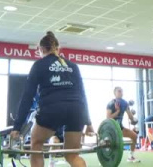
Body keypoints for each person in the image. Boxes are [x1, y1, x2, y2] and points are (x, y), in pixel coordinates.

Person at [11, 31, 94, 167]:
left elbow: (27, 96)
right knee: (72, 155)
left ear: (41, 49)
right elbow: (82, 95)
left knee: (36, 144)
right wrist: (88, 122)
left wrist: (17, 126)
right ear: (57, 48)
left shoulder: (39, 65)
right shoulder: (73, 66)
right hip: (76, 110)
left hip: (52, 109)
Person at [106, 87, 140, 163]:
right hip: (110, 128)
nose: (121, 93)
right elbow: (108, 118)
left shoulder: (124, 103)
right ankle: (106, 159)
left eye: (122, 91)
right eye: (119, 91)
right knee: (111, 144)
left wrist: (133, 119)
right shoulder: (111, 104)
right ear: (115, 93)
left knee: (134, 136)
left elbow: (130, 116)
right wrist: (118, 111)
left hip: (120, 128)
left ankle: (131, 156)